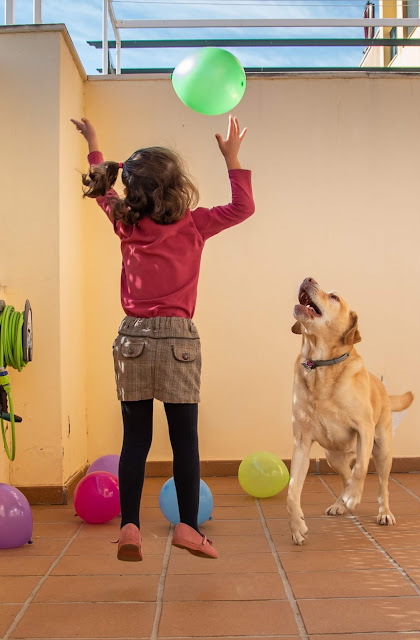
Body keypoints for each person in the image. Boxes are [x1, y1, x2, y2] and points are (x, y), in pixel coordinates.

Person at [71, 114, 255, 561]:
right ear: (177, 188)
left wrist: (96, 143)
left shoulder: (124, 222)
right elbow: (243, 207)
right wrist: (232, 160)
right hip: (177, 341)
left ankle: (130, 526)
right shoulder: (194, 223)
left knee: (135, 440)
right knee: (184, 441)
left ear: (133, 191)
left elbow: (102, 189)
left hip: (131, 338)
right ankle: (189, 529)